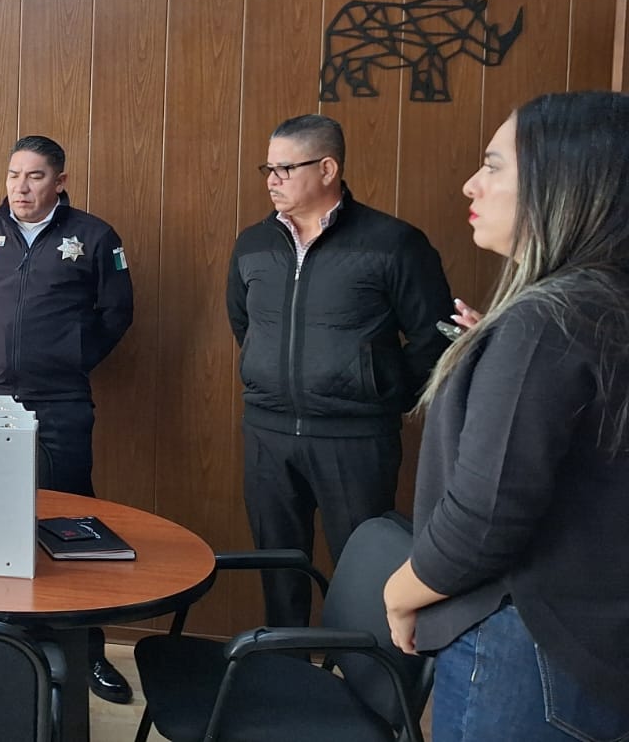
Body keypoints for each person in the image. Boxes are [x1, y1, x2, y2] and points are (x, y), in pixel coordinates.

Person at [384, 91, 629, 741]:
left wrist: (400, 593)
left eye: (493, 166)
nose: (471, 184)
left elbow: (486, 515)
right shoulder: (598, 303)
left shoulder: (545, 321)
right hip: (586, 639)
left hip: (524, 645)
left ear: (563, 182)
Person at [226, 114, 451, 629]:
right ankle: (285, 662)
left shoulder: (394, 242)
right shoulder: (253, 243)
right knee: (278, 568)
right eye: (268, 168)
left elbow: (435, 336)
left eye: (285, 168)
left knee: (363, 571)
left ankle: (363, 674)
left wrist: (382, 392)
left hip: (356, 439)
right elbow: (244, 324)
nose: (272, 180)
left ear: (327, 169)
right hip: (267, 433)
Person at [0, 134, 136, 703]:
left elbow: (117, 312)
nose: (21, 187)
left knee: (74, 528)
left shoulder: (94, 237)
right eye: (13, 175)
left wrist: (71, 356)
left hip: (61, 402)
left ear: (60, 181)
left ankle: (87, 652)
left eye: (34, 176)